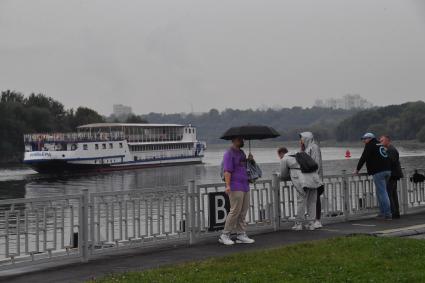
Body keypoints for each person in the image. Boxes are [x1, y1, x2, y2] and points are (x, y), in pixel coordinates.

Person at [219, 137, 255, 245]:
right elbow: (227, 171)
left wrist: (250, 160)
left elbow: (244, 167)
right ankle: (224, 235)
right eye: (240, 140)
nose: (242, 141)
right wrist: (228, 185)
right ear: (234, 140)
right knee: (234, 211)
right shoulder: (228, 154)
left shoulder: (242, 153)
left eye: (243, 139)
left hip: (245, 185)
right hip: (235, 186)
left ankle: (241, 234)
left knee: (243, 212)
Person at [278, 146, 322, 230]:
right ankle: (311, 224)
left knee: (301, 201)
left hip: (302, 182)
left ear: (281, 154)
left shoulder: (285, 159)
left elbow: (283, 175)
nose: (279, 157)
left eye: (279, 155)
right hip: (314, 179)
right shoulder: (299, 154)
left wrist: (279, 175)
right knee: (312, 202)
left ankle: (298, 224)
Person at [354, 133, 392, 220]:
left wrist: (357, 169)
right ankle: (382, 213)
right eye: (363, 139)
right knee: (380, 192)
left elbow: (363, 157)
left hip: (378, 171)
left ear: (370, 138)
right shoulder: (380, 144)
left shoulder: (370, 145)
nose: (363, 141)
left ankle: (387, 214)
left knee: (382, 193)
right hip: (388, 171)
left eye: (365, 139)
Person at [299, 132, 324, 229]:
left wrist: (314, 176)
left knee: (315, 199)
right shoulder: (306, 148)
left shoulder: (314, 147)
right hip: (307, 178)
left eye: (301, 138)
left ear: (306, 138)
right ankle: (311, 220)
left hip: (314, 178)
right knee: (310, 200)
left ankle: (317, 220)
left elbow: (316, 163)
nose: (300, 140)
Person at [380, 135, 403, 219]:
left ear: (387, 141)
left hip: (392, 174)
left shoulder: (391, 150)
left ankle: (393, 213)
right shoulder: (391, 149)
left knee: (389, 194)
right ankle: (396, 213)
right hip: (394, 174)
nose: (380, 142)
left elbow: (391, 161)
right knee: (393, 194)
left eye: (382, 141)